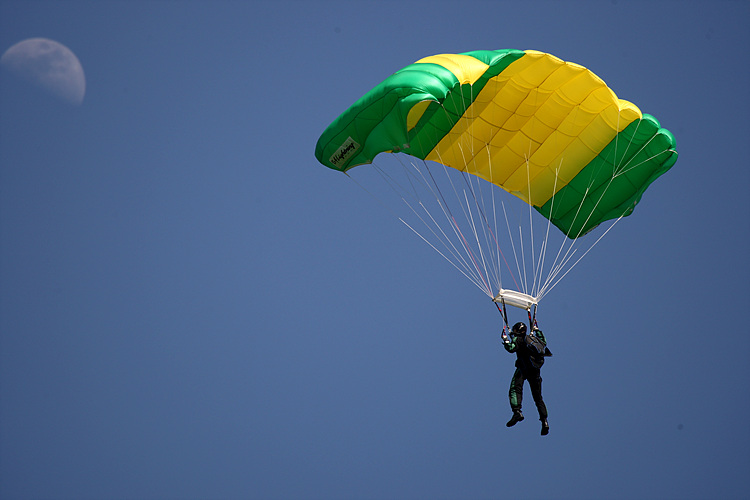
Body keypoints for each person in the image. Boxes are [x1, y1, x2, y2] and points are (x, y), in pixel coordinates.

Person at [502, 321, 552, 435]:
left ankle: (517, 412)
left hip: (523, 369)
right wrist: (537, 330)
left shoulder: (519, 339)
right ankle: (544, 421)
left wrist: (505, 340)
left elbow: (511, 348)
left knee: (515, 389)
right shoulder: (532, 338)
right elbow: (543, 342)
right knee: (538, 398)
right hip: (535, 372)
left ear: (516, 331)